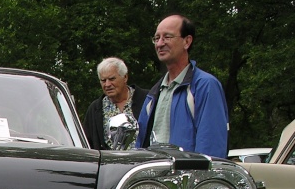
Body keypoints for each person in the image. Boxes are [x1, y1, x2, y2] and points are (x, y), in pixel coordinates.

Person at [136, 14, 229, 158]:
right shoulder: (154, 93)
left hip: (188, 178)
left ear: (187, 41)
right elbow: (140, 145)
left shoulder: (205, 86)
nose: (160, 44)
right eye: (156, 38)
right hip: (155, 178)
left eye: (167, 37)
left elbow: (211, 148)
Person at [83, 57, 148, 150]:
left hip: (142, 162)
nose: (107, 84)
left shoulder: (147, 100)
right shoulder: (95, 109)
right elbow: (87, 143)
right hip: (109, 163)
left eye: (112, 79)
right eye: (103, 80)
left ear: (125, 77)